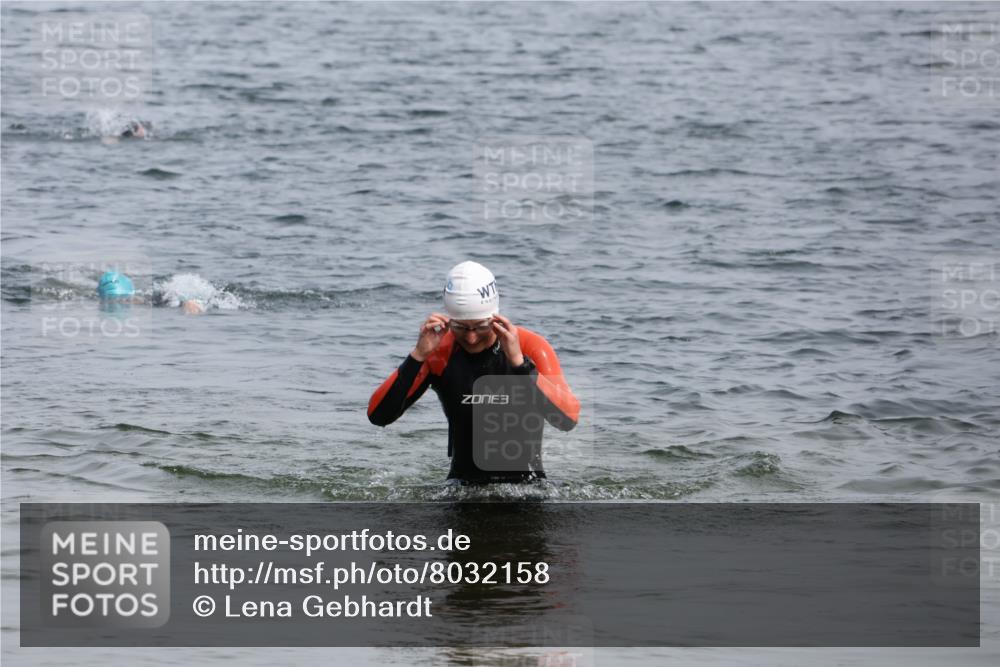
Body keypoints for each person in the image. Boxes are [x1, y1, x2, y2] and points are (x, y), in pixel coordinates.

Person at [368, 261, 580, 484]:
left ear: (495, 317)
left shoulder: (531, 347)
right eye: (460, 327)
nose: (471, 337)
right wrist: (417, 356)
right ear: (448, 321)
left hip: (527, 488)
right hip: (460, 488)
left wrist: (519, 365)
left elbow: (567, 421)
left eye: (480, 326)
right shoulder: (437, 353)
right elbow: (379, 416)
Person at [96, 270, 204, 314]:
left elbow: (172, 299)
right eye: (111, 300)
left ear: (132, 294)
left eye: (125, 298)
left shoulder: (152, 299)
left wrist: (186, 303)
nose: (120, 303)